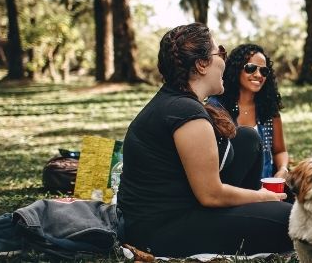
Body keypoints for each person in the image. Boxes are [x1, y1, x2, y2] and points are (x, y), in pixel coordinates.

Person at [118, 23, 293, 257]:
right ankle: (260, 212)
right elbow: (211, 195)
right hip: (161, 229)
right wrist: (263, 197)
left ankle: (255, 211)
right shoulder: (185, 112)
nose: (224, 60)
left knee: (247, 138)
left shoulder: (178, 101)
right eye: (219, 52)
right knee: (292, 220)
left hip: (180, 207)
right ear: (201, 64)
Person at [207, 43, 289, 179]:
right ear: (236, 69)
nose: (258, 75)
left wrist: (283, 170)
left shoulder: (268, 109)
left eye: (264, 71)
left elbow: (280, 151)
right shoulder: (216, 108)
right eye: (251, 68)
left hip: (265, 189)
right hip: (230, 189)